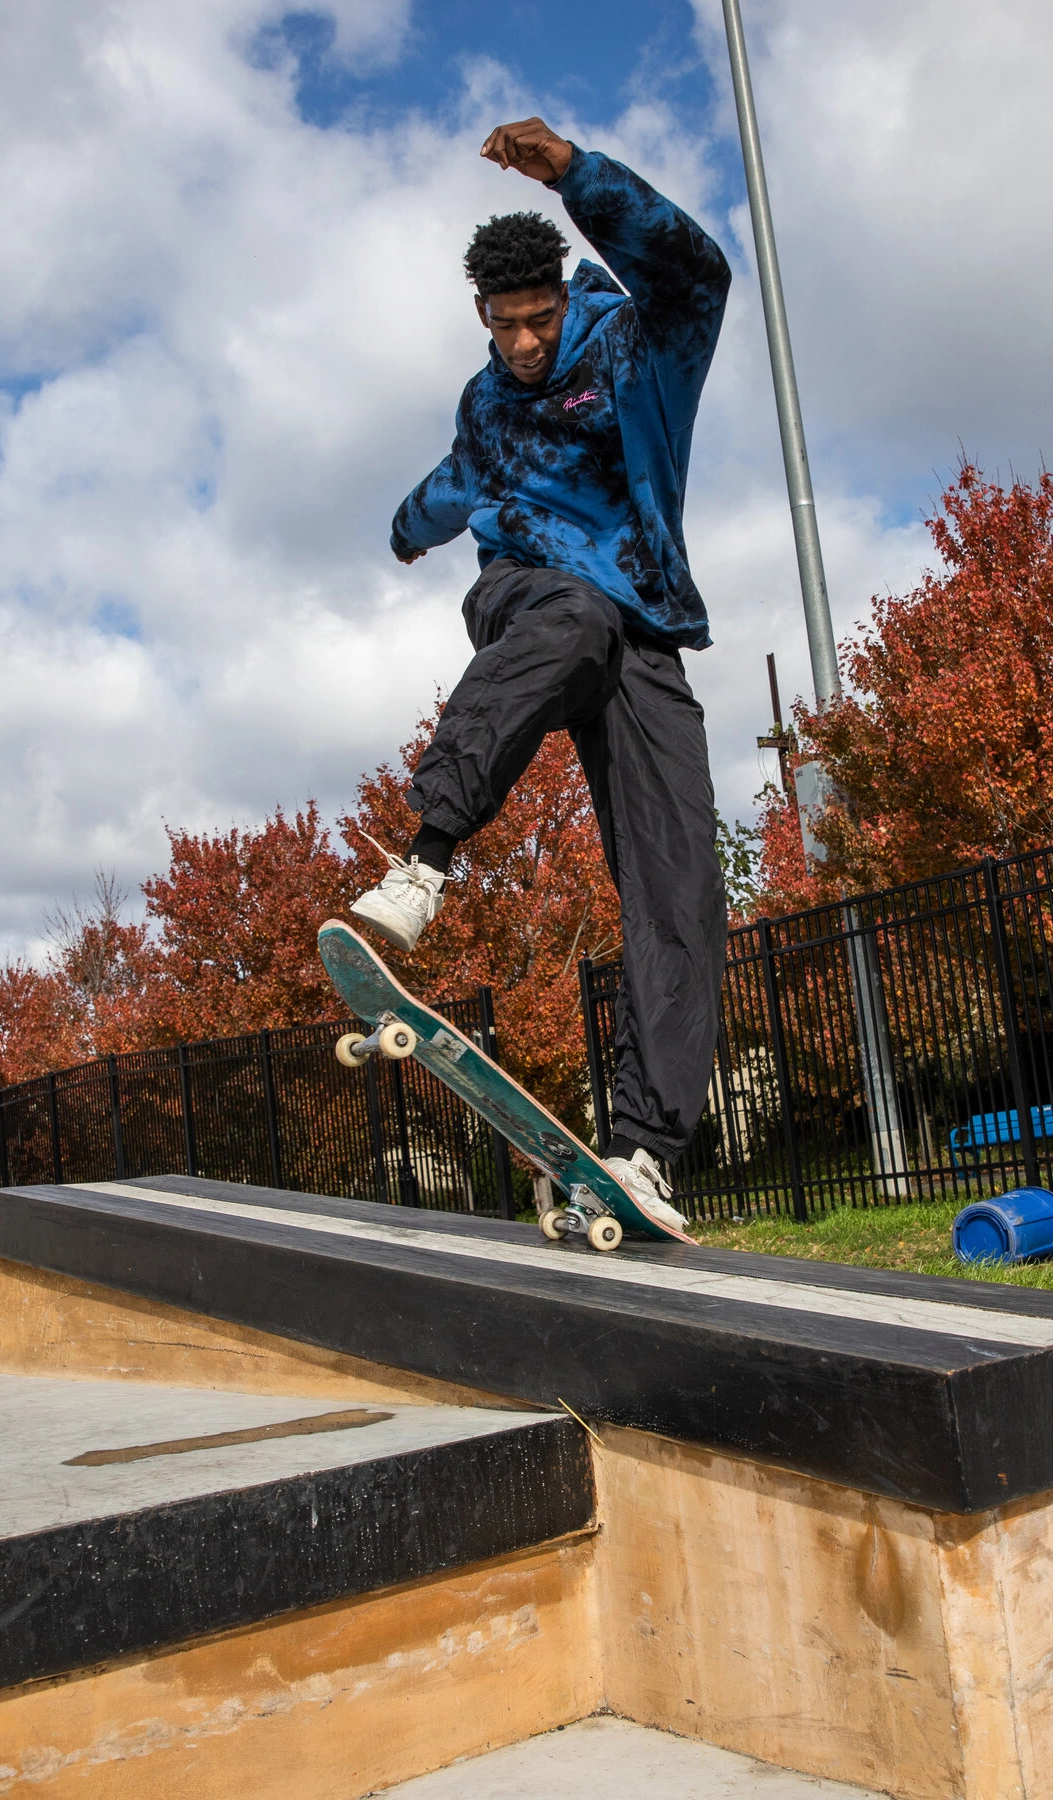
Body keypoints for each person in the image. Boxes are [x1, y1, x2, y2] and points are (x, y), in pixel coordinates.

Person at [351, 116, 730, 1226]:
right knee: (568, 614)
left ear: (565, 296)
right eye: (504, 325)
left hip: (641, 621)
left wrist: (577, 176)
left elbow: (697, 270)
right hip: (527, 597)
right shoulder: (485, 401)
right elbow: (454, 478)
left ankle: (643, 1149)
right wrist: (405, 532)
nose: (524, 343)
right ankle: (423, 861)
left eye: (538, 318)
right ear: (482, 316)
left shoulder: (634, 348)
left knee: (683, 892)